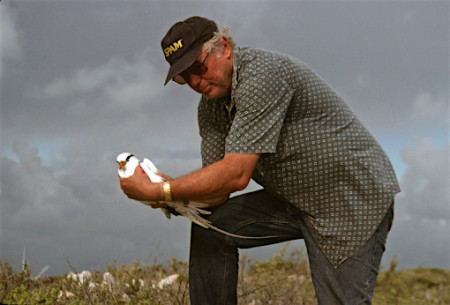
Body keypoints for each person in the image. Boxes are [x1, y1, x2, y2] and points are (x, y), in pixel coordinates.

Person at [119, 16, 401, 305]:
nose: (195, 82)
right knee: (211, 227)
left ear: (224, 47)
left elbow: (235, 176)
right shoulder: (211, 108)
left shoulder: (263, 75)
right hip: (294, 200)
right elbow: (217, 193)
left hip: (349, 200)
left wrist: (162, 191)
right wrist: (172, 196)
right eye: (183, 77)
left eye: (198, 67)